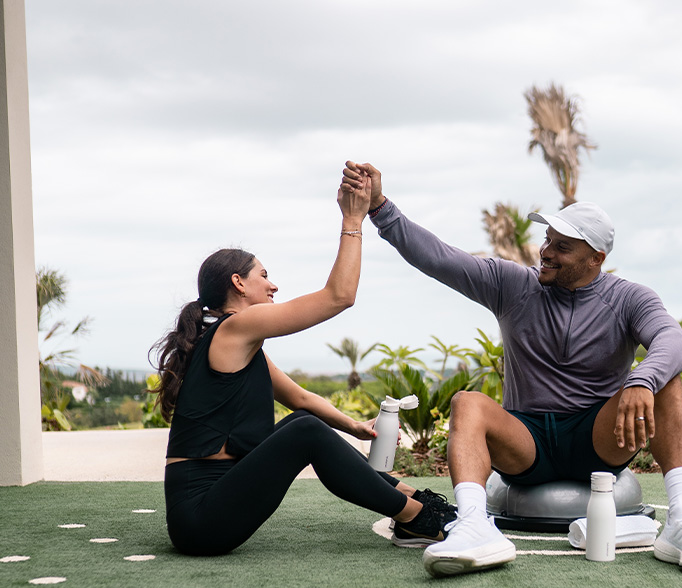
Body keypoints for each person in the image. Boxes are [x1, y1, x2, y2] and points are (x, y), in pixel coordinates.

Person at [341, 160, 682, 577]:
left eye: (563, 247)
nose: (546, 251)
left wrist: (641, 379)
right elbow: (438, 258)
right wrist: (379, 205)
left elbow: (674, 342)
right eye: (547, 240)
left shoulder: (630, 298)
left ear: (595, 258)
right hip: (526, 441)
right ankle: (474, 526)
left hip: (598, 441)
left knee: (665, 382)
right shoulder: (513, 284)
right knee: (467, 402)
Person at [150, 175, 454, 557]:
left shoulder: (238, 344)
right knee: (306, 431)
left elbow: (301, 399)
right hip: (201, 519)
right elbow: (338, 297)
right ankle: (417, 518)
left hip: (215, 505)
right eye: (264, 276)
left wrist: (356, 427)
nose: (273, 285)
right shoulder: (235, 327)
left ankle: (414, 499)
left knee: (300, 422)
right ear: (237, 284)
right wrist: (353, 221)